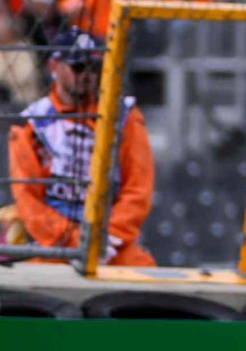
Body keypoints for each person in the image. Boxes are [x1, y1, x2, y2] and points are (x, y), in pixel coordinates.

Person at [9, 28, 148, 262]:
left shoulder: (124, 116)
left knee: (145, 277)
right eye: (78, 67)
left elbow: (138, 189)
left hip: (112, 244)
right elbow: (28, 199)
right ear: (54, 67)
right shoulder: (32, 124)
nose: (88, 75)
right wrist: (73, 239)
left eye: (94, 68)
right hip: (52, 245)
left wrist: (108, 235)